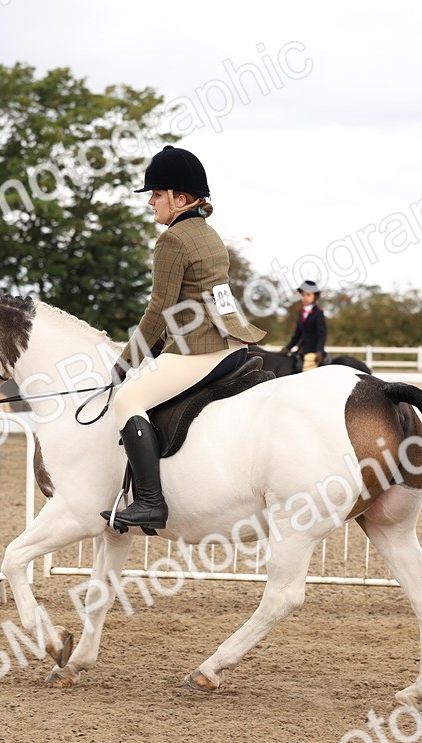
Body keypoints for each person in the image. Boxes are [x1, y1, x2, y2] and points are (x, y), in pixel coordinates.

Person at [101, 145, 266, 530]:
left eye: (156, 195)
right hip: (231, 343)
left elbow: (158, 310)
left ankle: (149, 502)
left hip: (199, 350)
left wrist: (126, 362)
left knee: (128, 399)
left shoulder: (172, 240)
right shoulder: (207, 234)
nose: (151, 203)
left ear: (180, 198)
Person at [280, 280, 328, 372]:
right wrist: (288, 348)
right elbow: (297, 335)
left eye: (308, 295)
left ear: (315, 296)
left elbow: (322, 334)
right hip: (302, 350)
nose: (305, 297)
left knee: (307, 372)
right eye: (303, 295)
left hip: (312, 351)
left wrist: (319, 351)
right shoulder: (301, 313)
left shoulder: (318, 313)